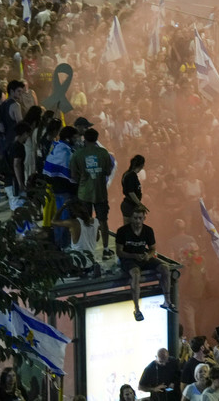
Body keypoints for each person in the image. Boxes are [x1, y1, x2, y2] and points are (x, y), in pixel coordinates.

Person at [115, 205, 176, 321]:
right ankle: (137, 309)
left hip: (143, 257)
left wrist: (148, 255)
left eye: (140, 218)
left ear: (144, 218)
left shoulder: (148, 230)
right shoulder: (122, 231)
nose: (138, 221)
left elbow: (152, 248)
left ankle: (167, 301)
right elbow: (119, 252)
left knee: (165, 269)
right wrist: (134, 256)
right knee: (136, 274)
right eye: (135, 218)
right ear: (131, 218)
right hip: (128, 259)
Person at [70, 127, 115, 257]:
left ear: (84, 138)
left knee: (85, 222)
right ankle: (106, 250)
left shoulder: (78, 154)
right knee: (103, 221)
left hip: (84, 193)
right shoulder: (103, 153)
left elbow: (74, 175)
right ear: (96, 139)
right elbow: (108, 171)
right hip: (100, 193)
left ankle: (86, 250)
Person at [121, 154, 147, 225]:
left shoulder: (127, 174)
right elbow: (131, 192)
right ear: (142, 165)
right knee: (131, 227)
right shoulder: (131, 176)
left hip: (129, 204)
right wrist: (140, 204)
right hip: (130, 205)